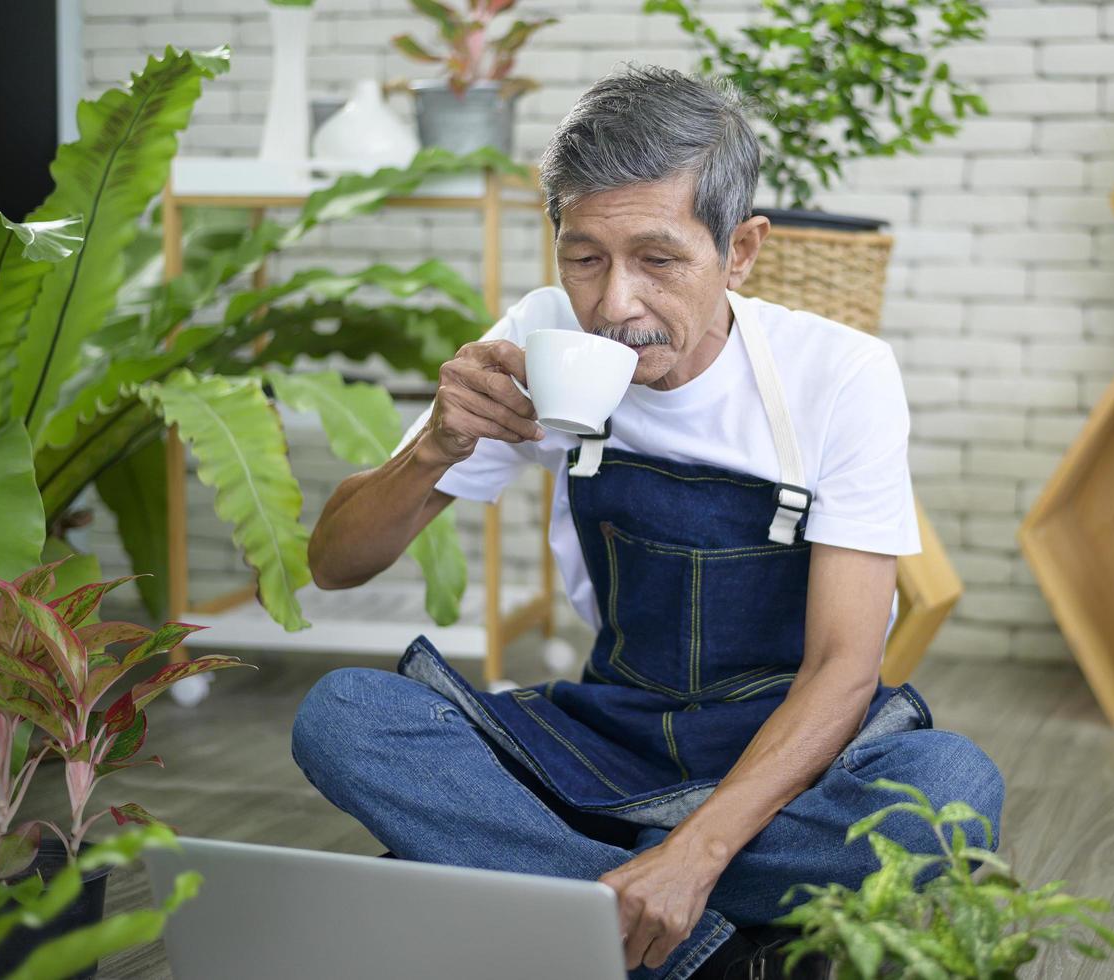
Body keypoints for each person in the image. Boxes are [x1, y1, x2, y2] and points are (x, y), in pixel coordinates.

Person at [291, 63, 1004, 980]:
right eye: (584, 258)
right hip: (611, 735)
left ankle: (561, 892)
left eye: (658, 260)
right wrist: (431, 446)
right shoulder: (541, 337)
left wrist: (698, 851)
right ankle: (694, 946)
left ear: (739, 251)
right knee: (342, 714)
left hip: (784, 753)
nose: (615, 304)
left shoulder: (839, 374)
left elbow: (843, 668)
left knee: (947, 791)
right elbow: (334, 565)